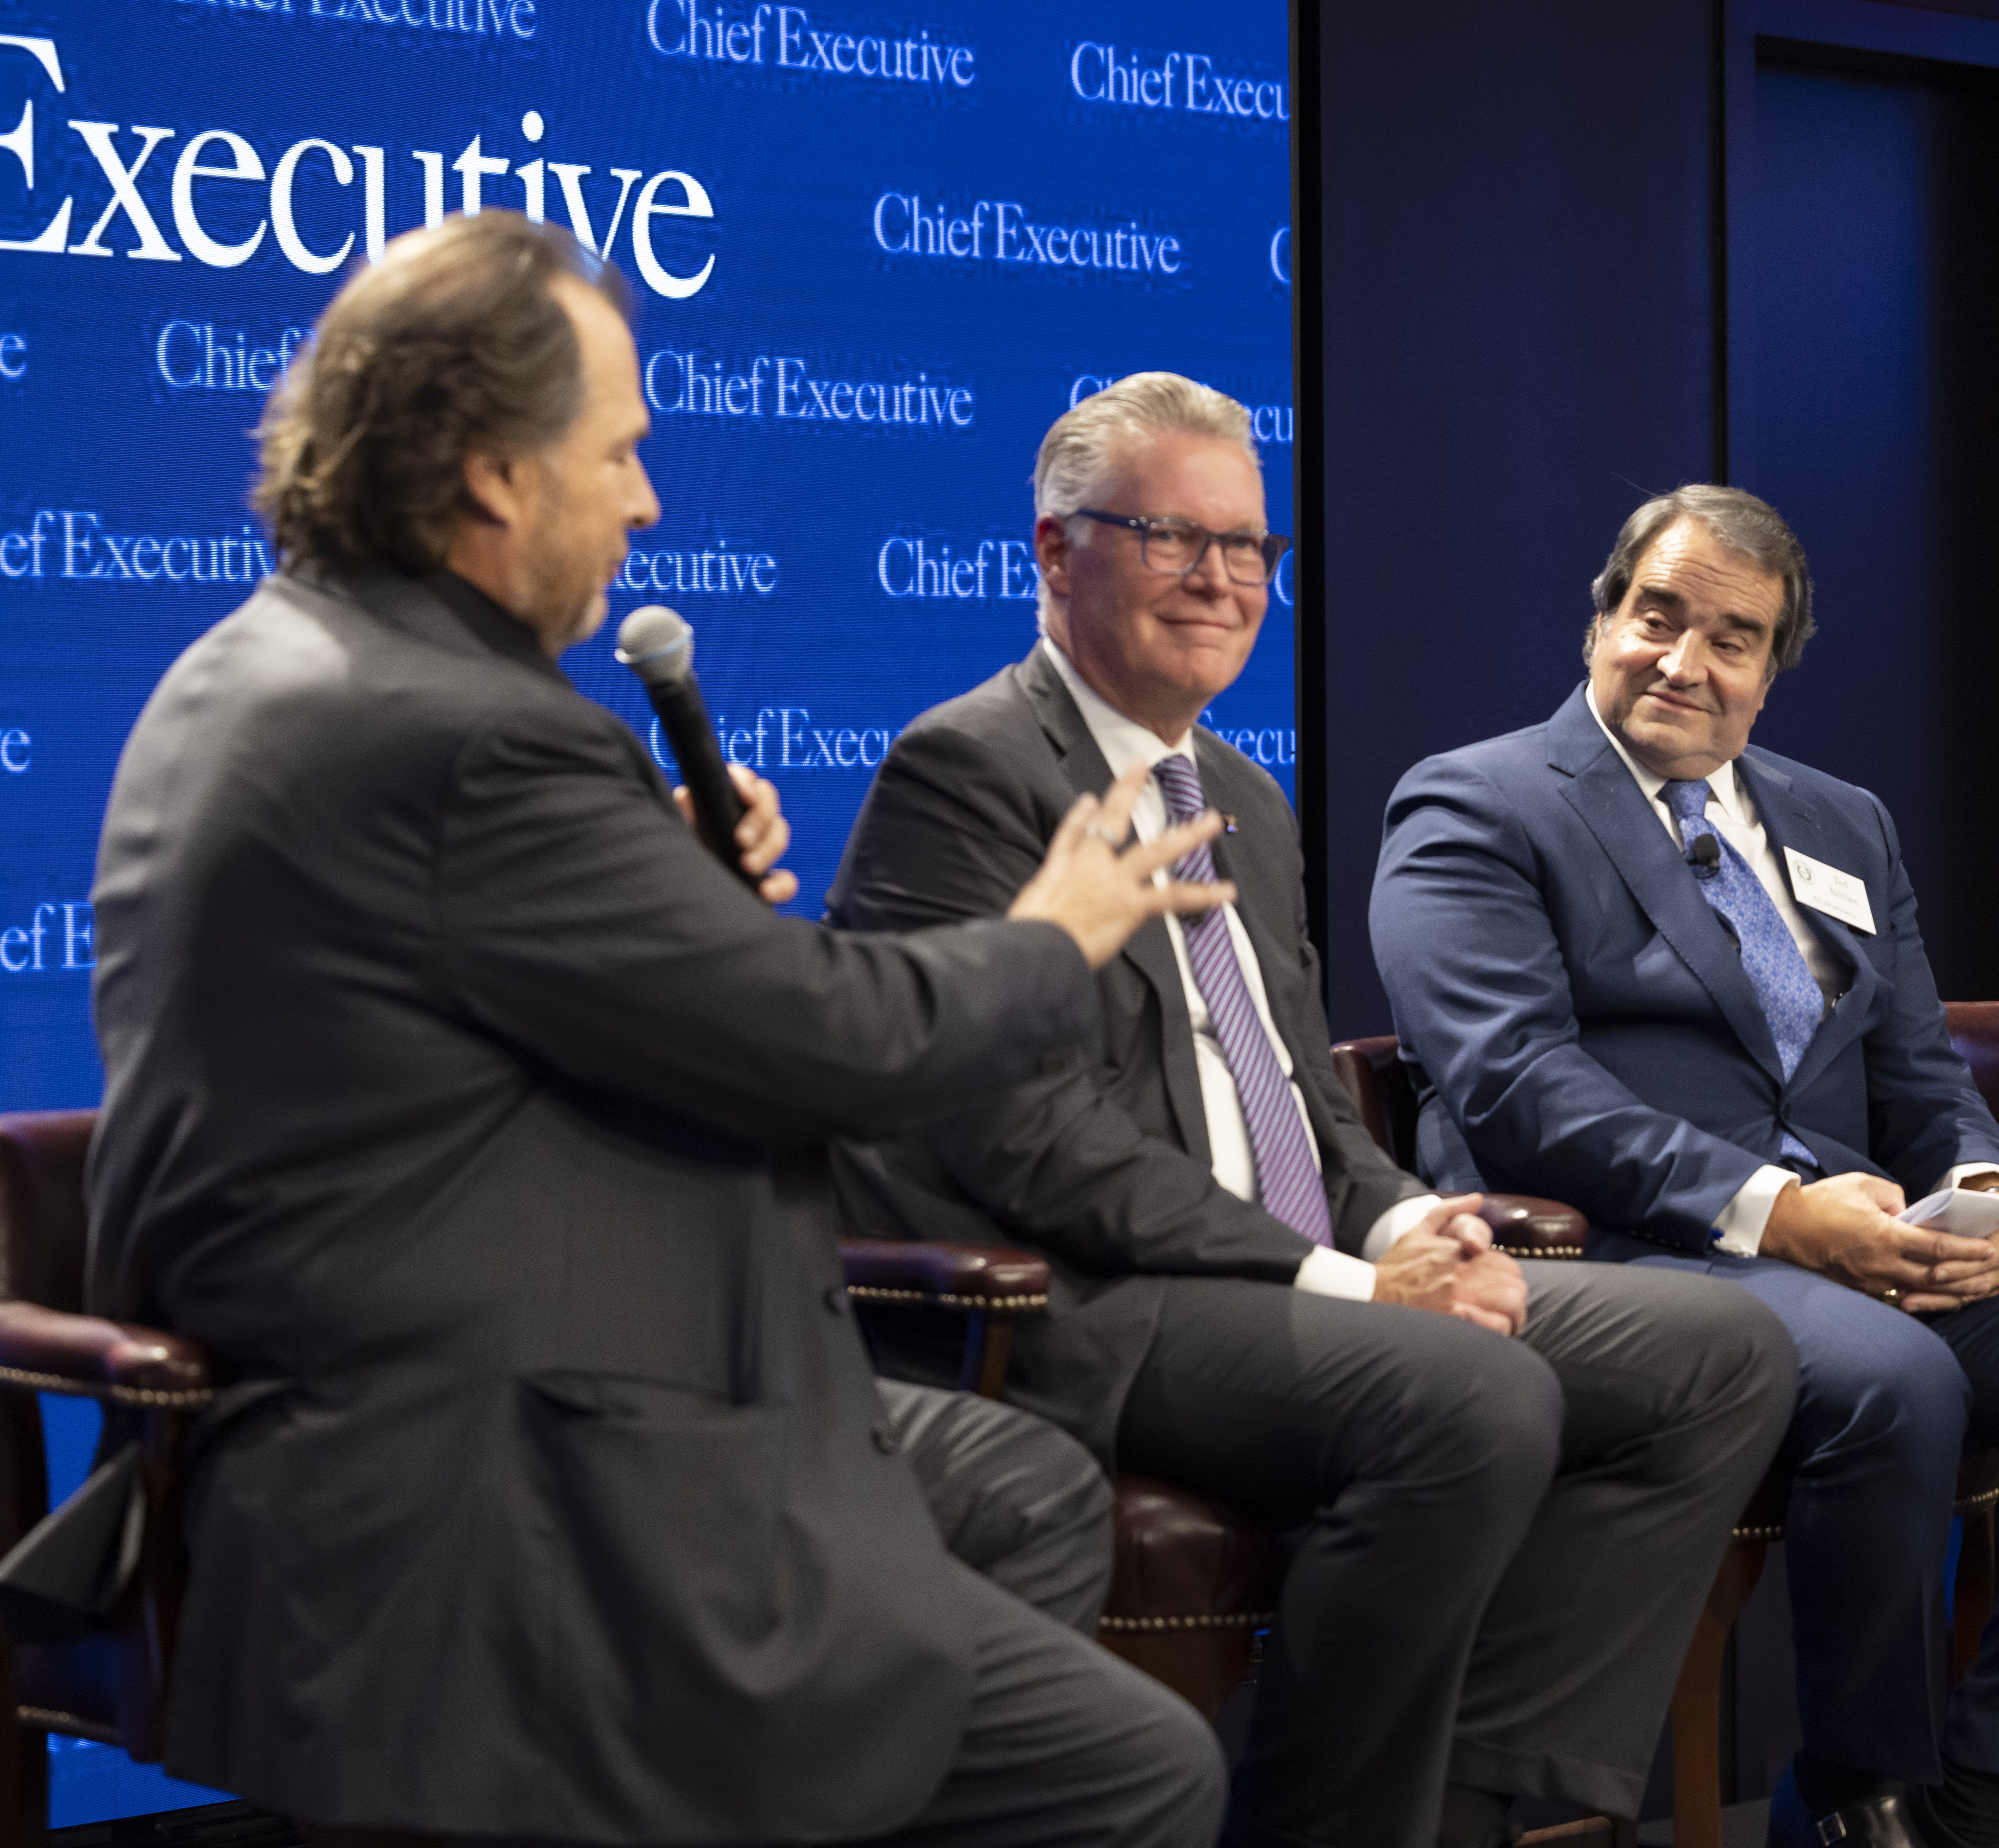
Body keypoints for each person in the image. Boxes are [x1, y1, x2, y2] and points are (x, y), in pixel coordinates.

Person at [86, 213, 1232, 1845]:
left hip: (465, 1393)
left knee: (1015, 1493)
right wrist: (1053, 935)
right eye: (618, 452)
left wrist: (670, 891)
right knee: (1136, 1771)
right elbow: (836, 1041)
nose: (647, 500)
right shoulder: (468, 738)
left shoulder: (264, 664)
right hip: (494, 1478)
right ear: (490, 471)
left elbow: (499, 1013)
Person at [826, 374, 1795, 1848]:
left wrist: (1419, 1220)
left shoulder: (1239, 793)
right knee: (1472, 1395)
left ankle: (1463, 1796)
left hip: (1296, 1272)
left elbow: (1300, 1099)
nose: (1220, 579)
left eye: (1247, 548)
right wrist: (1353, 1280)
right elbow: (1022, 1137)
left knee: (1721, 1352)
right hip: (1102, 1299)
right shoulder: (964, 771)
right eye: (1170, 537)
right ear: (1053, 550)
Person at [1369, 485, 1999, 1848]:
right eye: (1656, 616)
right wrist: (1780, 1213)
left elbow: (1920, 1074)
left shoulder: (1840, 824)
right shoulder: (1478, 804)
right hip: (1628, 1244)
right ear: (1597, 620)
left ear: (1770, 671)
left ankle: (1966, 1790)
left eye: (1732, 637)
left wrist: (1988, 1197)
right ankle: (1851, 1788)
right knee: (1895, 1381)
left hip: (1854, 1231)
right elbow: (1517, 1090)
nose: (1684, 661)